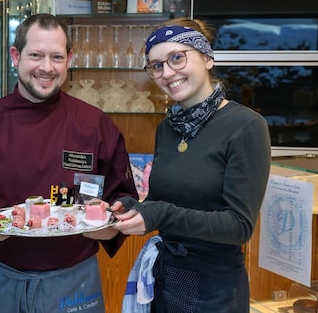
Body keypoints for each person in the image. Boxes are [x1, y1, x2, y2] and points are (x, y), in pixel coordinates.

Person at [0, 13, 139, 313]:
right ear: (16, 56)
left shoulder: (96, 125)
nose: (46, 68)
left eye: (57, 57)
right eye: (36, 55)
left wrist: (111, 222)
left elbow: (124, 198)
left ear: (69, 59)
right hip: (1, 276)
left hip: (74, 280)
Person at [111, 19, 271, 313]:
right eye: (156, 65)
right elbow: (165, 203)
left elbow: (239, 226)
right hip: (166, 278)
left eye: (176, 58)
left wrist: (160, 213)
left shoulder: (246, 126)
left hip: (214, 289)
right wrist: (134, 206)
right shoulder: (168, 128)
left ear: (207, 58)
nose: (166, 73)